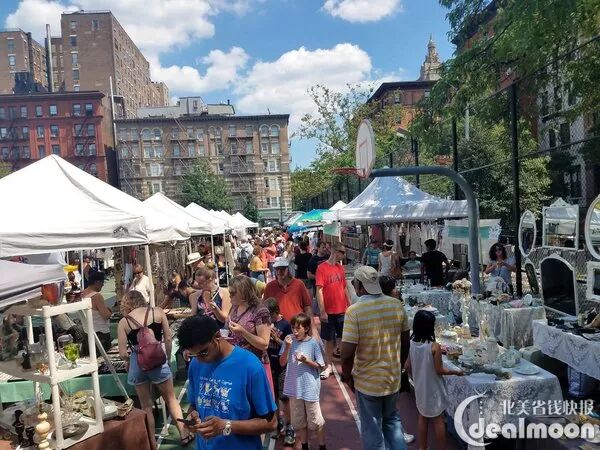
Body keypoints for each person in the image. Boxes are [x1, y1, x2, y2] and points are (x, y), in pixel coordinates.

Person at [178, 315, 277, 450]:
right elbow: (194, 405)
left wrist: (226, 426)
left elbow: (271, 423)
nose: (200, 359)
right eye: (194, 355)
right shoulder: (196, 364)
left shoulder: (250, 366)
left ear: (217, 336)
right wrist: (192, 416)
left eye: (204, 352)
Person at [340, 266, 413, 449]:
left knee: (372, 431)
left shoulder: (354, 311)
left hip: (367, 381)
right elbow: (405, 342)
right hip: (392, 378)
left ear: (359, 285)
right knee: (392, 422)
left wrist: (347, 375)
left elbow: (347, 353)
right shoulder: (396, 305)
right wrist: (399, 366)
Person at [118, 291, 193, 447]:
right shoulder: (157, 312)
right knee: (171, 399)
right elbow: (168, 338)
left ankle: (151, 443)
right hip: (158, 360)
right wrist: (167, 356)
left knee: (146, 406)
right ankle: (184, 434)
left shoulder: (124, 322)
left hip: (138, 364)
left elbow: (123, 353)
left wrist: (129, 361)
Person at [404, 310, 464, 450]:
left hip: (420, 388)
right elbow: (439, 370)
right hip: (434, 388)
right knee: (438, 421)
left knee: (422, 417)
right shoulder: (434, 346)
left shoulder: (412, 343)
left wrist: (415, 377)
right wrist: (456, 372)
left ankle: (422, 448)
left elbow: (407, 366)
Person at [280, 313, 326, 450]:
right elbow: (282, 362)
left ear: (306, 328)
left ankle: (322, 446)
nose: (294, 331)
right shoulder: (289, 341)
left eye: (297, 328)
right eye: (293, 328)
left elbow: (320, 365)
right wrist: (287, 347)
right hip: (294, 388)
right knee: (299, 421)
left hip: (310, 387)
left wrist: (306, 360)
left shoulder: (313, 343)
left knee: (316, 421)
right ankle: (304, 446)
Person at [227, 275, 274, 390]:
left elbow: (264, 344)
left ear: (244, 292)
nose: (230, 295)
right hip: (234, 362)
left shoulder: (260, 311)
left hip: (253, 364)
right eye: (229, 292)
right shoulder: (234, 306)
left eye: (233, 293)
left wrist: (243, 332)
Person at [315, 242, 351, 379]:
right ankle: (328, 365)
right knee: (329, 340)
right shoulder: (321, 268)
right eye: (342, 252)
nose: (344, 255)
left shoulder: (340, 268)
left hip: (342, 309)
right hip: (329, 311)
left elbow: (344, 287)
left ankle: (344, 366)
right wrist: (322, 310)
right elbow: (319, 290)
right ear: (336, 252)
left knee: (343, 338)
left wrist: (350, 304)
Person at [265, 298, 295, 446]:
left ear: (276, 312)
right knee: (273, 397)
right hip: (269, 365)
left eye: (269, 315)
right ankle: (277, 424)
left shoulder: (286, 325)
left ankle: (289, 427)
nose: (267, 318)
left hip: (283, 367)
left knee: (284, 398)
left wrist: (277, 339)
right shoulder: (265, 324)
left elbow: (291, 346)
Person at [264, 258, 313, 322]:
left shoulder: (299, 284)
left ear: (288, 269)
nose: (279, 271)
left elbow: (307, 307)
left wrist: (312, 325)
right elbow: (265, 308)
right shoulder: (270, 286)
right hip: (278, 325)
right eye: (277, 269)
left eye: (282, 269)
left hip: (298, 324)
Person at [81, 271, 112, 351]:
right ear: (97, 282)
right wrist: (109, 311)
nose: (103, 285)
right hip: (100, 334)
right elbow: (105, 315)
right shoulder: (96, 296)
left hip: (87, 333)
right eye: (102, 282)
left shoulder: (82, 294)